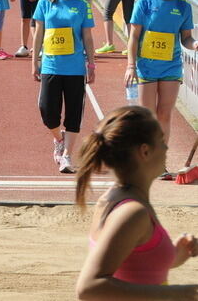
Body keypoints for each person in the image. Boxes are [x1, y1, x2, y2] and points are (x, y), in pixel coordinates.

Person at [75, 105, 198, 297]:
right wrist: (176, 294)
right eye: (162, 141)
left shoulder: (113, 198)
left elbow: (131, 266)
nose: (166, 148)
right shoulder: (132, 212)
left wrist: (174, 254)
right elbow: (89, 287)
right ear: (145, 151)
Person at [126, 0, 196, 180]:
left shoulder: (183, 6)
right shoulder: (145, 4)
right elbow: (134, 37)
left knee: (164, 114)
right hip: (146, 66)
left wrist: (194, 44)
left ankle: (159, 163)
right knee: (148, 116)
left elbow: (186, 37)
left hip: (171, 67)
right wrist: (131, 65)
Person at [31, 0, 96, 173]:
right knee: (47, 111)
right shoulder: (44, 4)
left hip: (75, 67)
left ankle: (67, 156)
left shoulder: (83, 5)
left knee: (74, 113)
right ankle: (59, 139)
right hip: (51, 65)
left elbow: (87, 36)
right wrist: (35, 61)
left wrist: (91, 64)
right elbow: (38, 34)